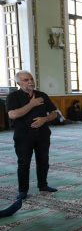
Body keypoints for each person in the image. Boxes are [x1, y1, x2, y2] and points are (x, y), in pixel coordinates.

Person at [6, 70, 59, 200]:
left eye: (31, 79)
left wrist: (44, 119)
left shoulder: (42, 95)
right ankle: (23, 190)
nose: (30, 82)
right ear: (18, 82)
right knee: (24, 163)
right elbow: (13, 115)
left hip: (42, 134)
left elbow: (54, 113)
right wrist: (31, 104)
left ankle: (43, 185)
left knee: (43, 161)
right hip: (23, 135)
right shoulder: (13, 97)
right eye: (26, 80)